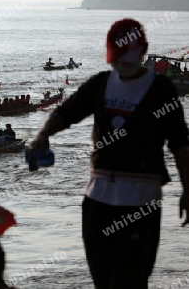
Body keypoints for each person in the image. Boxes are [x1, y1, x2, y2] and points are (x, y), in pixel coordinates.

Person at [29, 18, 189, 289]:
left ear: (142, 53)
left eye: (127, 59)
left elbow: (180, 144)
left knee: (131, 282)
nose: (121, 65)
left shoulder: (162, 90)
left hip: (141, 201)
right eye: (117, 59)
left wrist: (188, 189)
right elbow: (66, 112)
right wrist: (42, 136)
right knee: (103, 281)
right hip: (98, 198)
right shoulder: (100, 84)